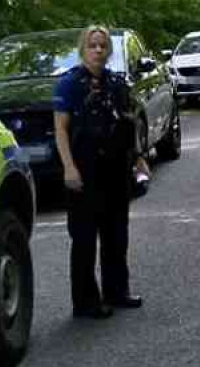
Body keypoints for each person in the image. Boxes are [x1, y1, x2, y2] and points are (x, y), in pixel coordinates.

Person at [54, 25, 148, 319]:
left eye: (102, 46)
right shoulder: (69, 84)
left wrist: (138, 159)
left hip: (115, 168)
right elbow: (61, 129)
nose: (98, 50)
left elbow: (127, 124)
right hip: (84, 168)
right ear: (83, 49)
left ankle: (117, 291)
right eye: (92, 45)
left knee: (116, 233)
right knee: (84, 238)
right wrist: (69, 168)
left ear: (109, 51)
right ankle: (85, 302)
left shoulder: (116, 84)